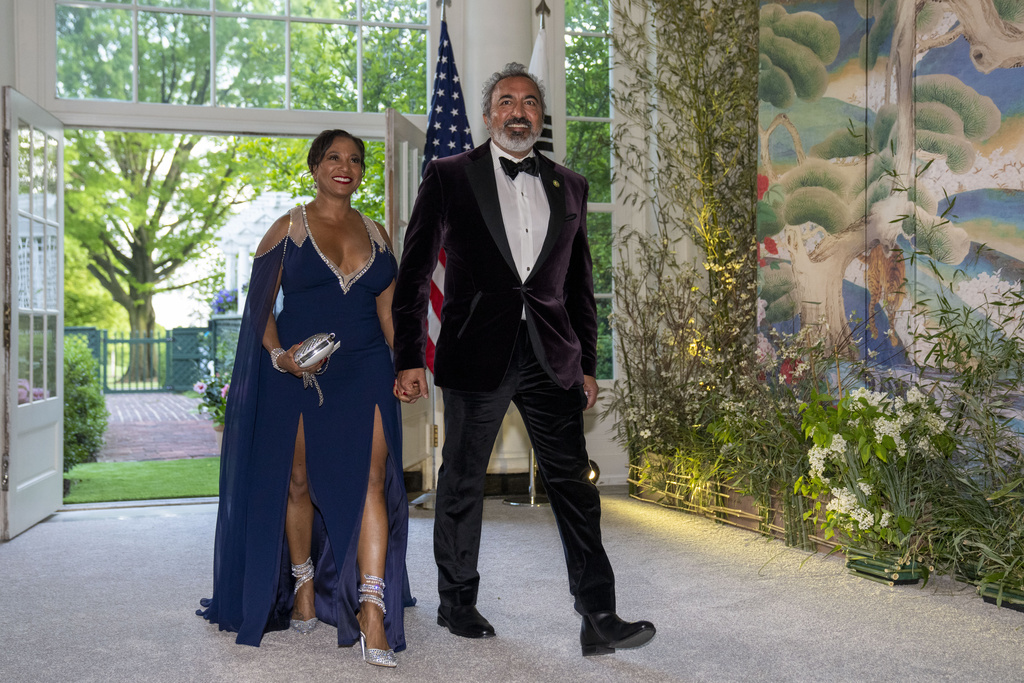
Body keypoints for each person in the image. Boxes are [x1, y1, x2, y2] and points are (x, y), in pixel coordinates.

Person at [392, 63, 656, 657]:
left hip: (551, 355)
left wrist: (586, 361)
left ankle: (599, 614)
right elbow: (413, 274)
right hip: (474, 351)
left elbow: (579, 286)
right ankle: (458, 601)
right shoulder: (448, 175)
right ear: (488, 116)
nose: (519, 111)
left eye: (530, 102)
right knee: (461, 483)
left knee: (575, 486)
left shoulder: (571, 185)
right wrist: (408, 355)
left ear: (542, 116)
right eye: (507, 101)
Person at [197, 130, 409, 668]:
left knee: (370, 482)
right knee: (298, 481)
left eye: (355, 160)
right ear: (315, 167)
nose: (346, 167)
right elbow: (259, 309)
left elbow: (390, 314)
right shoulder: (287, 228)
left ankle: (372, 611)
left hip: (366, 369)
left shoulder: (379, 234)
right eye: (334, 158)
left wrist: (407, 365)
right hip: (299, 372)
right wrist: (280, 357)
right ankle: (305, 585)